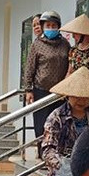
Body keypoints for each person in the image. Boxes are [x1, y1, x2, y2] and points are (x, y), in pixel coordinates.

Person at [41, 67, 89, 176]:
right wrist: (67, 166)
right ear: (69, 95)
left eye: (85, 97)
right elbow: (48, 150)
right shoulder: (56, 117)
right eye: (77, 97)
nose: (81, 101)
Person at [24, 10, 70, 140]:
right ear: (43, 27)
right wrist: (28, 89)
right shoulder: (37, 45)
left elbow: (70, 65)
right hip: (41, 90)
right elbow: (29, 68)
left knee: (59, 125)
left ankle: (56, 154)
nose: (51, 28)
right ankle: (42, 154)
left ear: (58, 27)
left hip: (60, 93)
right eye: (47, 26)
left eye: (53, 26)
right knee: (41, 125)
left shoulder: (65, 45)